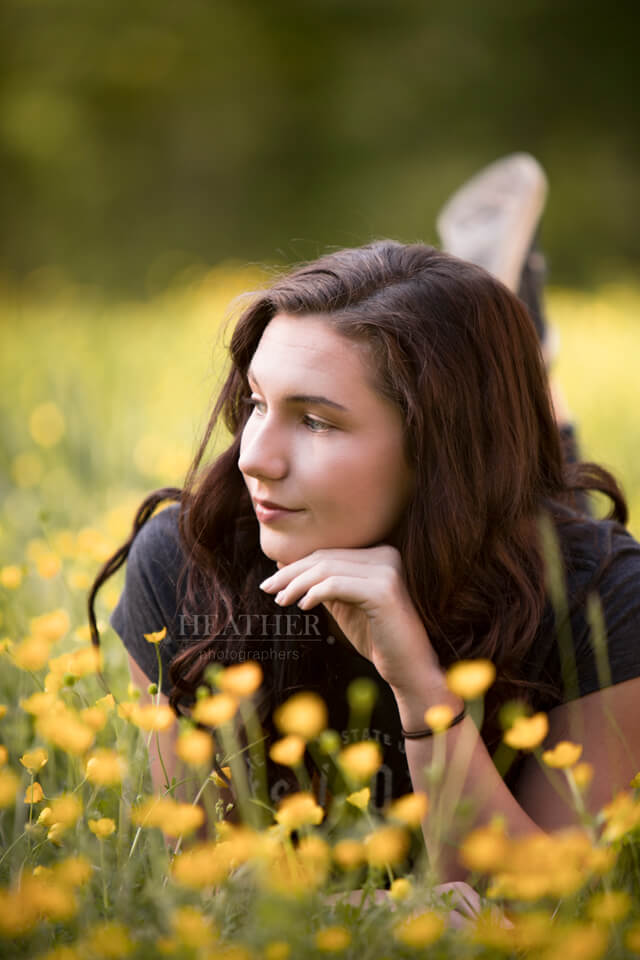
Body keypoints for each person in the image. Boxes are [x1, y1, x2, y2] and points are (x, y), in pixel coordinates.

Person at [89, 157, 640, 886]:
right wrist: (384, 918)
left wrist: (421, 687)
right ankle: (497, 320)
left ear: (437, 450)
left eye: (315, 420)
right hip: (462, 480)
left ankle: (518, 344)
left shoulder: (608, 596)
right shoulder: (190, 563)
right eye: (256, 402)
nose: (254, 459)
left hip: (496, 527)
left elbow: (551, 905)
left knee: (545, 502)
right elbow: (196, 891)